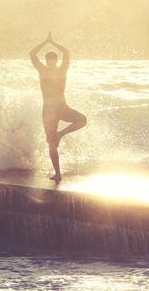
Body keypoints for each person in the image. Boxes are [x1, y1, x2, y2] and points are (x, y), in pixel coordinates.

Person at [29, 32, 87, 184]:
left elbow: (66, 53)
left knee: (82, 120)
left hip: (60, 107)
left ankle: (61, 134)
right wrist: (47, 42)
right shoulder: (45, 69)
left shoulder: (57, 70)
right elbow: (32, 54)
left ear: (55, 60)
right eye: (49, 61)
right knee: (51, 143)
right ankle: (58, 173)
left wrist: (50, 43)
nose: (51, 63)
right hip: (50, 110)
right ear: (47, 61)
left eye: (53, 60)